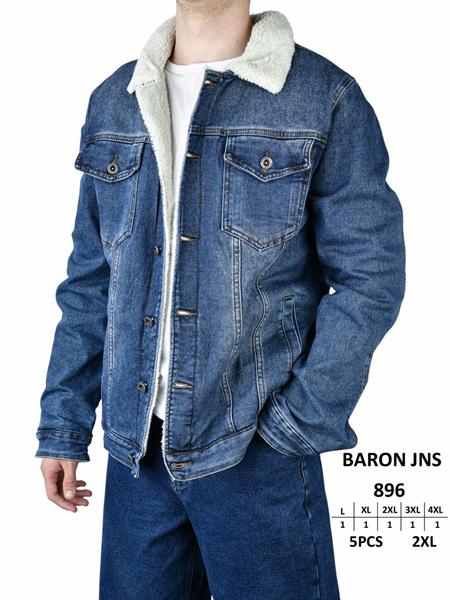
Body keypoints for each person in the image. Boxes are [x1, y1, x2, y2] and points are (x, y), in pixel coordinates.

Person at [35, 1, 406, 598]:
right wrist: (63, 423)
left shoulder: (323, 97)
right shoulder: (115, 101)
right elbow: (91, 281)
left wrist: (297, 424)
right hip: (137, 457)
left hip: (257, 455)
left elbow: (372, 275)